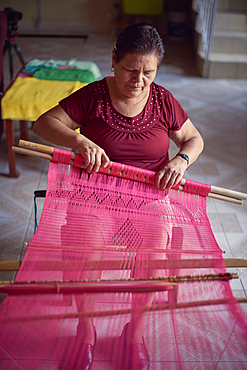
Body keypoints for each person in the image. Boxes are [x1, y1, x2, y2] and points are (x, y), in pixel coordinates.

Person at [33, 23, 204, 370]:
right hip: (95, 196)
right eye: (131, 69)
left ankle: (135, 333)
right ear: (114, 60)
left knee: (154, 255)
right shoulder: (93, 96)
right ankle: (86, 333)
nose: (139, 80)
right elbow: (43, 123)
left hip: (148, 198)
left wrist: (180, 160)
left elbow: (193, 139)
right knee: (86, 252)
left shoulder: (163, 100)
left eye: (148, 72)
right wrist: (79, 141)